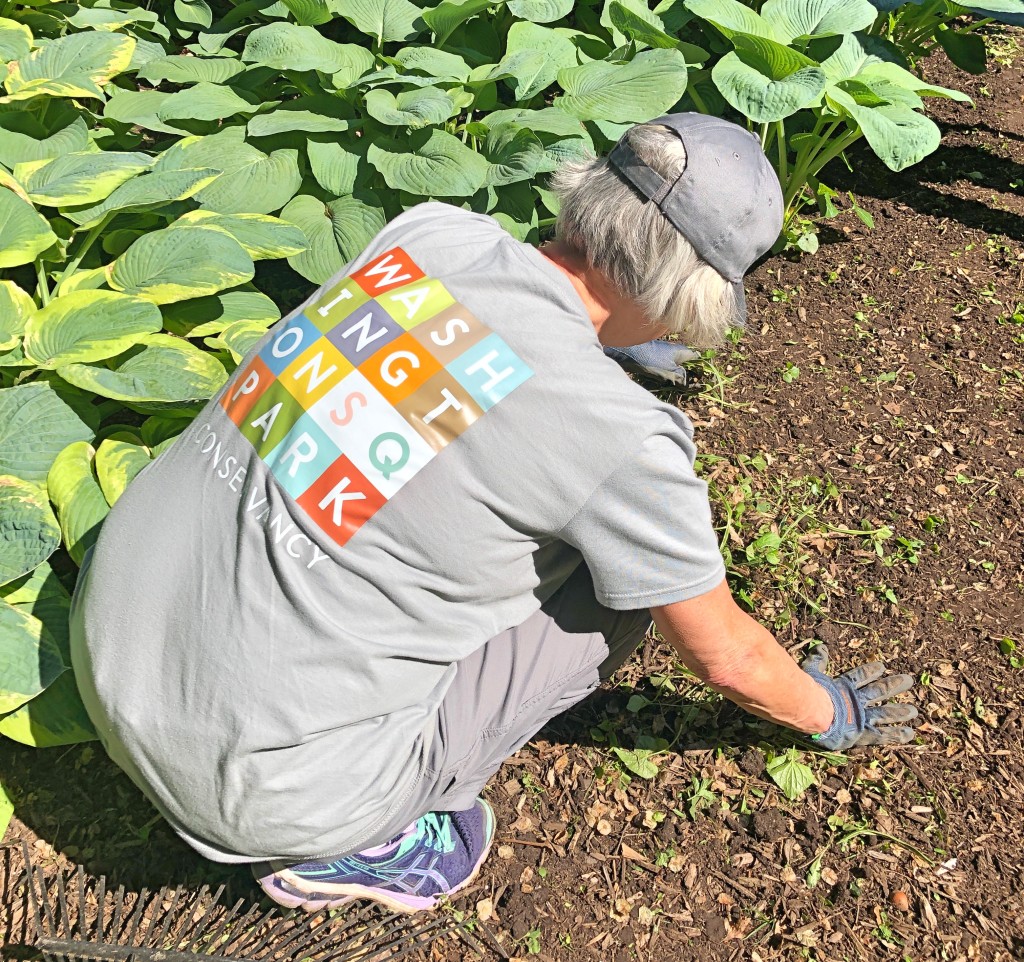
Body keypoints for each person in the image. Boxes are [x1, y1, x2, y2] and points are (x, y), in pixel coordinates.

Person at [69, 114, 918, 916]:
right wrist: (829, 712)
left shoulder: (431, 234)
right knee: (613, 590)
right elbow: (726, 656)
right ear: (692, 294)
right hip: (259, 791)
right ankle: (356, 842)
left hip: (110, 656)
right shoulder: (621, 438)